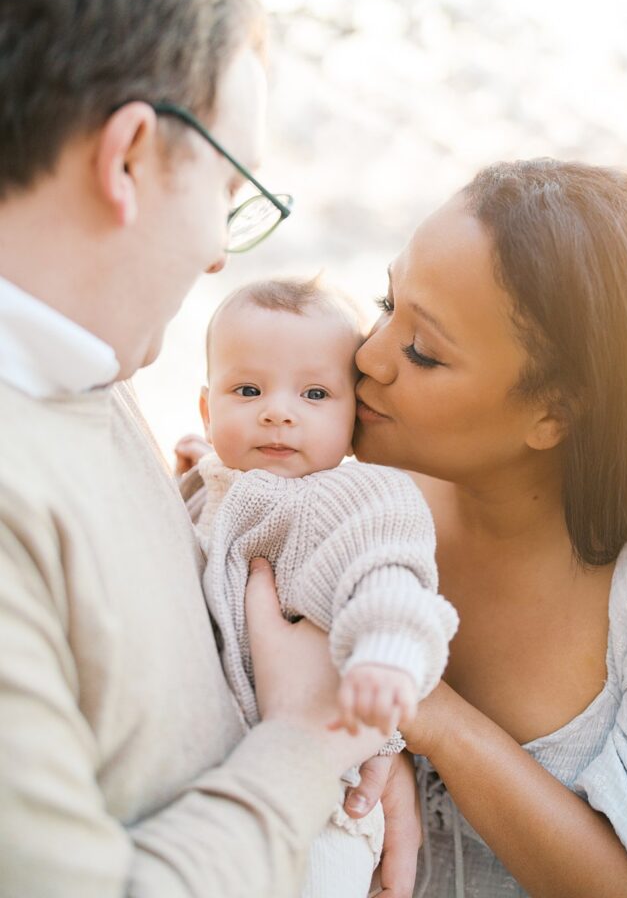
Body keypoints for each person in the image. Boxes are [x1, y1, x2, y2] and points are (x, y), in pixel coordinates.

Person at [0, 0, 419, 898]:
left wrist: (359, 757)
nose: (221, 249)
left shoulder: (92, 389)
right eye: (231, 190)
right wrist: (309, 742)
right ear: (130, 157)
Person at [341, 158, 627, 897]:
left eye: (423, 352)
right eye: (385, 301)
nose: (368, 356)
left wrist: (433, 714)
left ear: (557, 412)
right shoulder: (359, 498)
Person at [185, 277, 457, 898]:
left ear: (354, 416)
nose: (278, 411)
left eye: (314, 393)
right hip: (243, 787)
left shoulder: (351, 498)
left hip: (331, 798)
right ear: (208, 408)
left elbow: (390, 577)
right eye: (247, 390)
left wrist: (387, 655)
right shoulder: (218, 482)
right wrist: (194, 472)